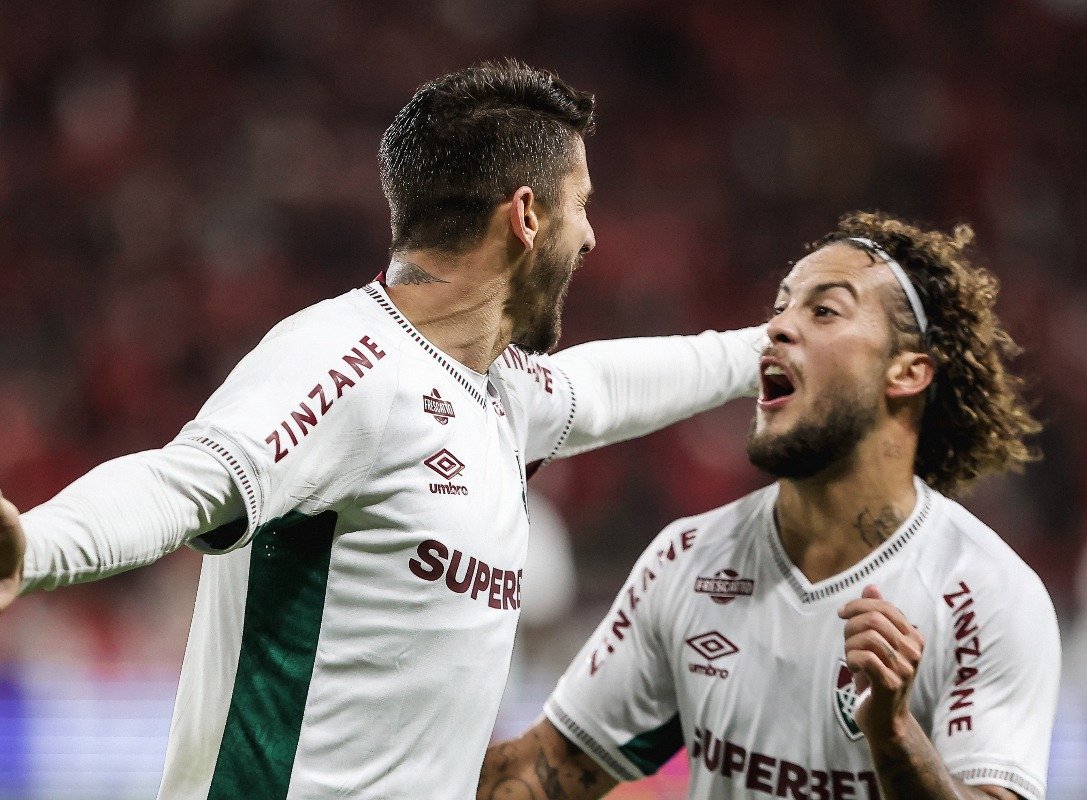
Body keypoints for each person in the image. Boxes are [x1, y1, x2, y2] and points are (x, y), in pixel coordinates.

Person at [0, 61, 765, 799]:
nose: (593, 236)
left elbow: (614, 386)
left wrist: (774, 347)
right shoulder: (345, 362)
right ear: (528, 215)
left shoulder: (496, 388)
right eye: (583, 203)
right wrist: (33, 548)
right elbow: (184, 482)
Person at [478, 212, 1061, 800]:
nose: (776, 330)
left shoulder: (986, 593)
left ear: (907, 372)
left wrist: (892, 734)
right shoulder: (690, 561)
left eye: (824, 310)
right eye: (779, 309)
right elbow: (540, 773)